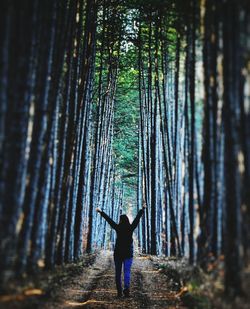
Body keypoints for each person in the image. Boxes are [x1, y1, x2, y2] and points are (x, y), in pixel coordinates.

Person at [96, 205, 146, 298]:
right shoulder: (130, 228)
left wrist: (101, 212)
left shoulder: (117, 227)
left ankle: (119, 292)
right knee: (127, 272)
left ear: (120, 221)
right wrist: (142, 209)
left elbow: (109, 220)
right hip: (128, 254)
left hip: (118, 254)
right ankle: (126, 290)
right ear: (127, 220)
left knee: (118, 273)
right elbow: (137, 219)